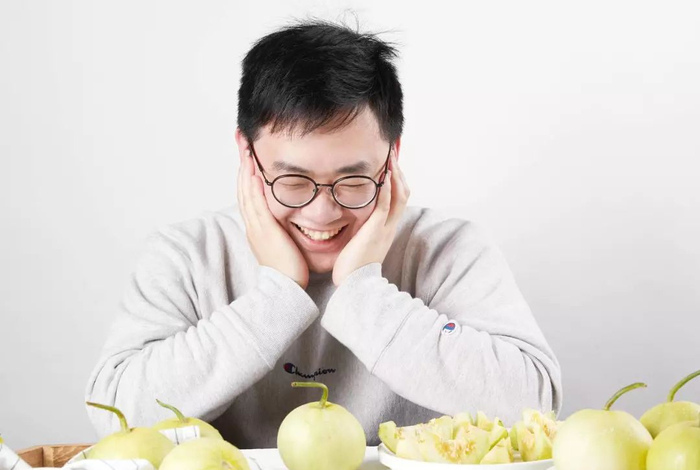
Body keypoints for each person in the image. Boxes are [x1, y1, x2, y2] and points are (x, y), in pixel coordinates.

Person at [85, 19, 562, 447]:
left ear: (392, 156)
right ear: (247, 154)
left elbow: (534, 401)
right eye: (292, 181)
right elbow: (117, 413)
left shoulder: (447, 250)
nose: (322, 212)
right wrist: (277, 294)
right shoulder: (188, 255)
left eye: (354, 181)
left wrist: (362, 291)